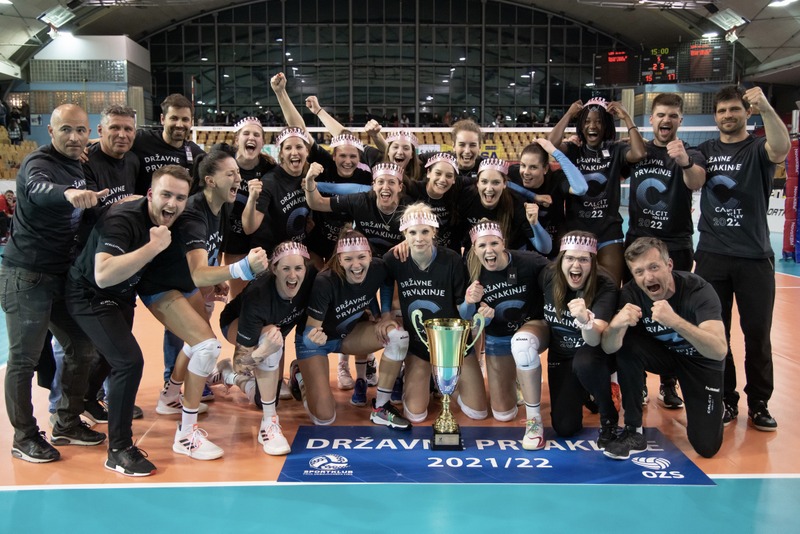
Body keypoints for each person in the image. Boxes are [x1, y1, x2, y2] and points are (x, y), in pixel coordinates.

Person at [139, 150, 269, 460]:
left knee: (196, 340)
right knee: (206, 346)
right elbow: (198, 272)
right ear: (210, 181)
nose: (238, 178)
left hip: (183, 283)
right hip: (161, 284)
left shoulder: (221, 206)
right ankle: (186, 436)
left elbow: (206, 258)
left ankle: (170, 395)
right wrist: (242, 268)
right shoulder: (194, 213)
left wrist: (215, 277)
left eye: (238, 173)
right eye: (231, 174)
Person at [66, 165, 192, 475]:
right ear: (150, 194)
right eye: (165, 195)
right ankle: (119, 450)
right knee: (128, 361)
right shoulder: (123, 218)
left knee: (110, 356)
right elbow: (103, 274)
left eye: (180, 198)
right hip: (89, 292)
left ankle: (88, 401)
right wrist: (153, 247)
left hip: (123, 294)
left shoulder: (172, 222)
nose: (172, 204)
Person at [1, 104, 107, 463]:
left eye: (80, 130)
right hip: (26, 275)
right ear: (50, 131)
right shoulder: (38, 163)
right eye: (66, 130)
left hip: (60, 275)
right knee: (23, 360)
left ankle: (67, 422)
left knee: (82, 346)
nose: (74, 137)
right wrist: (67, 194)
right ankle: (24, 436)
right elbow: (38, 188)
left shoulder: (77, 162)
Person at [694, 85, 791, 431]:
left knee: (757, 334)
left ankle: (760, 403)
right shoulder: (706, 149)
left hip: (754, 257)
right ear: (715, 116)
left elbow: (781, 148)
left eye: (734, 109)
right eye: (722, 111)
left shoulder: (757, 148)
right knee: (715, 332)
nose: (728, 115)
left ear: (746, 113)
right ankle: (725, 398)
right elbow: (694, 178)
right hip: (711, 256)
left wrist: (766, 106)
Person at [601, 238, 727, 459]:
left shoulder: (698, 290)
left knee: (707, 446)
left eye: (654, 267)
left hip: (700, 360)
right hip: (665, 356)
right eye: (639, 272)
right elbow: (609, 348)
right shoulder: (631, 294)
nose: (648, 277)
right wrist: (616, 325)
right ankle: (633, 430)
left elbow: (718, 350)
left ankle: (715, 405)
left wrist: (674, 321)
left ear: (669, 265)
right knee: (626, 344)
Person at [627, 92, 707, 410]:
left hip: (676, 246)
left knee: (676, 313)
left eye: (673, 115)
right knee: (635, 312)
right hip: (637, 244)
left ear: (680, 120)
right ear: (652, 119)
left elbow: (696, 182)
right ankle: (637, 381)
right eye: (661, 114)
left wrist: (684, 160)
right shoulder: (638, 151)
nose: (666, 120)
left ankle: (669, 383)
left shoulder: (691, 151)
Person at [292, 230, 411, 429]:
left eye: (361, 257)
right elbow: (308, 333)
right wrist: (313, 339)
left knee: (398, 336)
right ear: (339, 259)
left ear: (370, 256)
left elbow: (386, 280)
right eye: (348, 259)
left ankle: (381, 408)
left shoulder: (378, 267)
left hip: (347, 336)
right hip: (316, 343)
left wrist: (384, 314)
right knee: (324, 418)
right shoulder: (325, 281)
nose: (356, 265)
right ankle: (302, 376)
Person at [383, 203, 486, 424]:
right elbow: (385, 284)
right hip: (419, 345)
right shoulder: (394, 259)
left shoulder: (452, 260)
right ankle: (425, 378)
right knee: (416, 415)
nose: (419, 238)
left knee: (477, 412)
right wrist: (384, 314)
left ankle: (445, 384)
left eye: (424, 231)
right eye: (412, 232)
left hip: (453, 345)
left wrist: (469, 302)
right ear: (404, 234)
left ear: (434, 232)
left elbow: (464, 314)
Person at [214, 241, 318, 455]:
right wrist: (263, 352)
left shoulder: (312, 279)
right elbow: (242, 365)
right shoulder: (258, 295)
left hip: (277, 331)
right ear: (274, 269)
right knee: (270, 338)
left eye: (298, 268)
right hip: (237, 324)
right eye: (286, 268)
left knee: (262, 399)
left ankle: (227, 375)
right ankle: (269, 424)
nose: (293, 275)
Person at [465, 220, 549, 448]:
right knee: (504, 414)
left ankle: (534, 421)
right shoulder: (471, 271)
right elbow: (466, 316)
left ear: (503, 243)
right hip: (498, 336)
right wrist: (476, 311)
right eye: (482, 245)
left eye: (494, 243)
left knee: (522, 344)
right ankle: (517, 379)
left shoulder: (530, 262)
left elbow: (557, 280)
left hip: (531, 326)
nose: (489, 250)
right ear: (474, 249)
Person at [549, 98, 646, 284]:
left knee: (611, 286)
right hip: (577, 231)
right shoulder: (573, 150)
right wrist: (569, 114)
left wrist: (626, 117)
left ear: (606, 125)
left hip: (608, 232)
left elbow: (639, 153)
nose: (592, 126)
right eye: (587, 121)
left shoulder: (616, 149)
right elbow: (552, 145)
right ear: (581, 125)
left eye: (599, 121)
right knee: (578, 287)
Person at [538, 231, 620, 449]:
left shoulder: (605, 284)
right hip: (561, 355)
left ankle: (609, 417)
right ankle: (585, 393)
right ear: (560, 261)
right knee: (565, 427)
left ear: (592, 263)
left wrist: (585, 320)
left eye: (583, 259)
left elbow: (595, 339)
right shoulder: (547, 276)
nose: (576, 265)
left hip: (592, 354)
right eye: (570, 258)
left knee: (585, 362)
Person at [220, 117, 276, 301]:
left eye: (256, 135)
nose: (251, 137)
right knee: (238, 298)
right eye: (246, 133)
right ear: (237, 139)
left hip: (261, 241)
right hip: (233, 241)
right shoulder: (222, 164)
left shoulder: (269, 168)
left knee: (262, 298)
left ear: (263, 142)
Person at [508, 138, 589, 258]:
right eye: (523, 165)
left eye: (533, 167)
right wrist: (533, 196)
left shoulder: (556, 180)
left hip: (554, 247)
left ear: (545, 168)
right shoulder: (514, 173)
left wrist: (554, 151)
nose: (526, 172)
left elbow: (581, 188)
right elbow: (501, 182)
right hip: (523, 246)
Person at [130, 93, 205, 196]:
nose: (179, 125)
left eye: (185, 119)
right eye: (174, 118)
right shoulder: (141, 140)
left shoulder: (196, 154)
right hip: (142, 205)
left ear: (191, 122)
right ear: (162, 119)